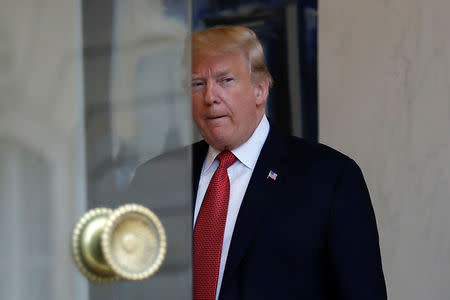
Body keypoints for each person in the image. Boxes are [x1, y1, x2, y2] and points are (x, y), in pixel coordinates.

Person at [189, 26, 387, 300]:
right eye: (198, 83)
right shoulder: (158, 177)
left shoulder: (329, 178)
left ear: (260, 90)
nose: (209, 97)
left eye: (225, 80)